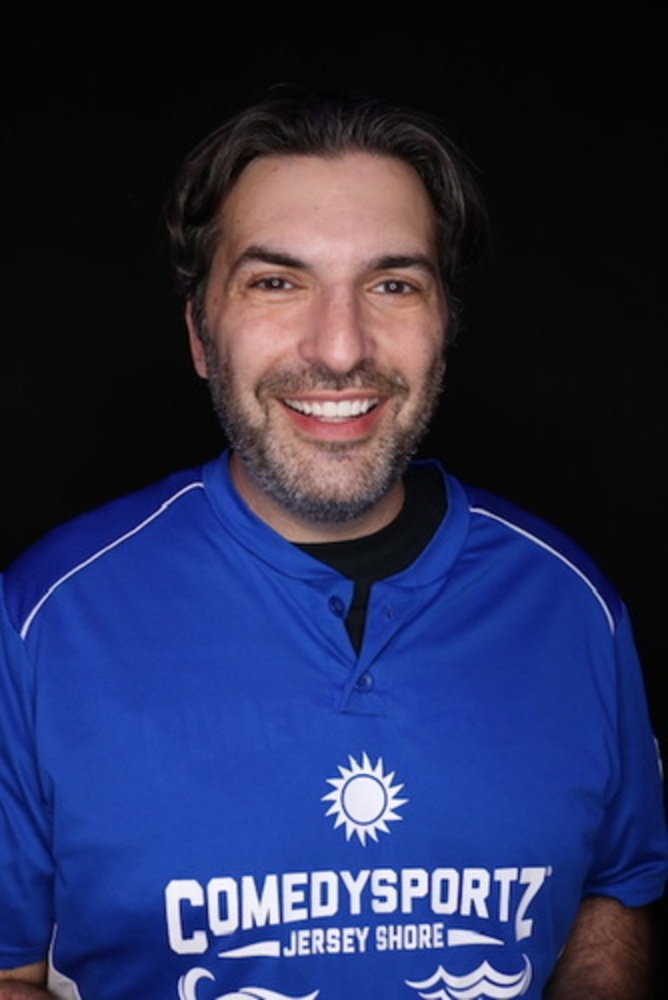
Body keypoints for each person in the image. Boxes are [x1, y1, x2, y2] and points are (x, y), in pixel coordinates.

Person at [0, 91, 665, 1000]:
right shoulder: (42, 622)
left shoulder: (573, 607)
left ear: (445, 324)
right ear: (200, 333)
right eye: (277, 282)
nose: (343, 349)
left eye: (393, 285)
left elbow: (613, 887)